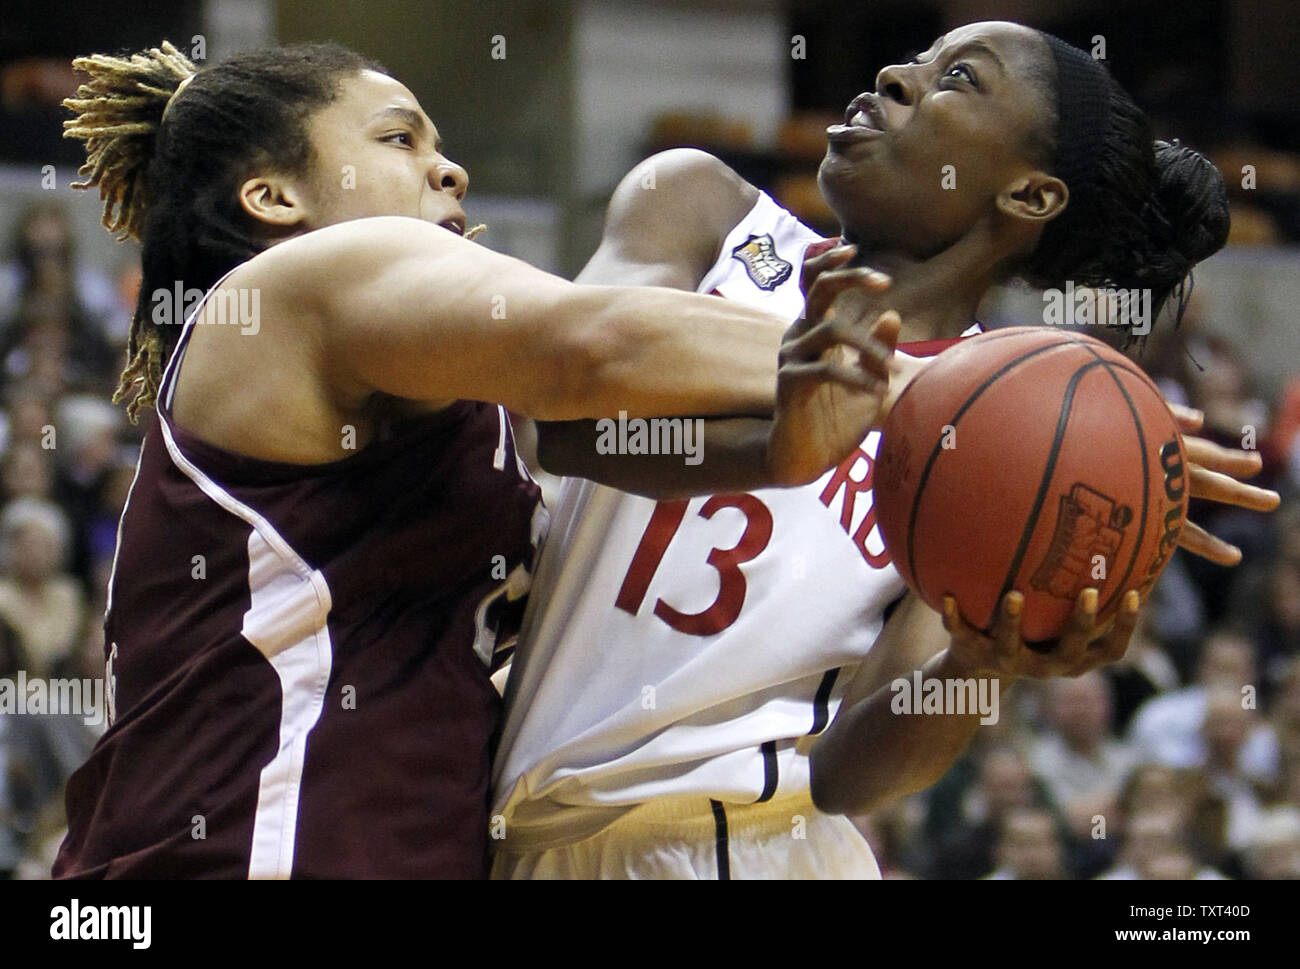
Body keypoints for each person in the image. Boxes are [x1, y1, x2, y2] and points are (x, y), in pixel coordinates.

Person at [51, 41, 890, 879]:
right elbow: (594, 344)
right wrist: (921, 379)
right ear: (275, 197)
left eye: (439, 145)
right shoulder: (291, 288)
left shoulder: (447, 418)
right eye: (398, 140)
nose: (449, 170)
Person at [490, 21, 1280, 879]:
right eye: (918, 58)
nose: (896, 76)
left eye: (959, 79)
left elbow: (850, 772)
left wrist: (982, 665)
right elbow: (565, 420)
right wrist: (782, 445)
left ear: (1027, 196)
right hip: (528, 833)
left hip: (748, 840)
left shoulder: (999, 444)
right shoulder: (700, 208)